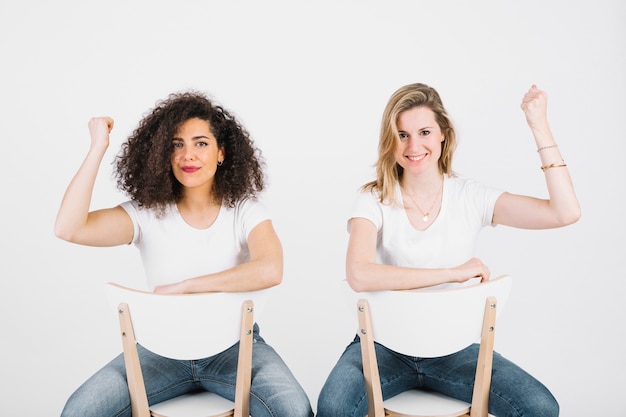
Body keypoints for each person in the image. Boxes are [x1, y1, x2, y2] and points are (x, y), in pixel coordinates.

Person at [316, 83, 580, 417]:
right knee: (332, 407)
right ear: (390, 141)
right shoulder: (373, 199)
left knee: (540, 407)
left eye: (424, 132)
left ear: (443, 134)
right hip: (381, 347)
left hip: (454, 350)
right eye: (402, 135)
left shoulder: (471, 197)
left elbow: (565, 212)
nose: (414, 146)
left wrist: (539, 126)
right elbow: (359, 273)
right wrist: (453, 274)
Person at [54, 91, 313, 417]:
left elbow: (270, 269)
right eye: (177, 144)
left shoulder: (245, 211)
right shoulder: (145, 213)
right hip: (160, 350)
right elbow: (69, 229)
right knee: (80, 410)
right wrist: (97, 149)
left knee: (292, 409)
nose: (188, 155)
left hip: (235, 347)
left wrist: (185, 287)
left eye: (201, 143)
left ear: (221, 153)